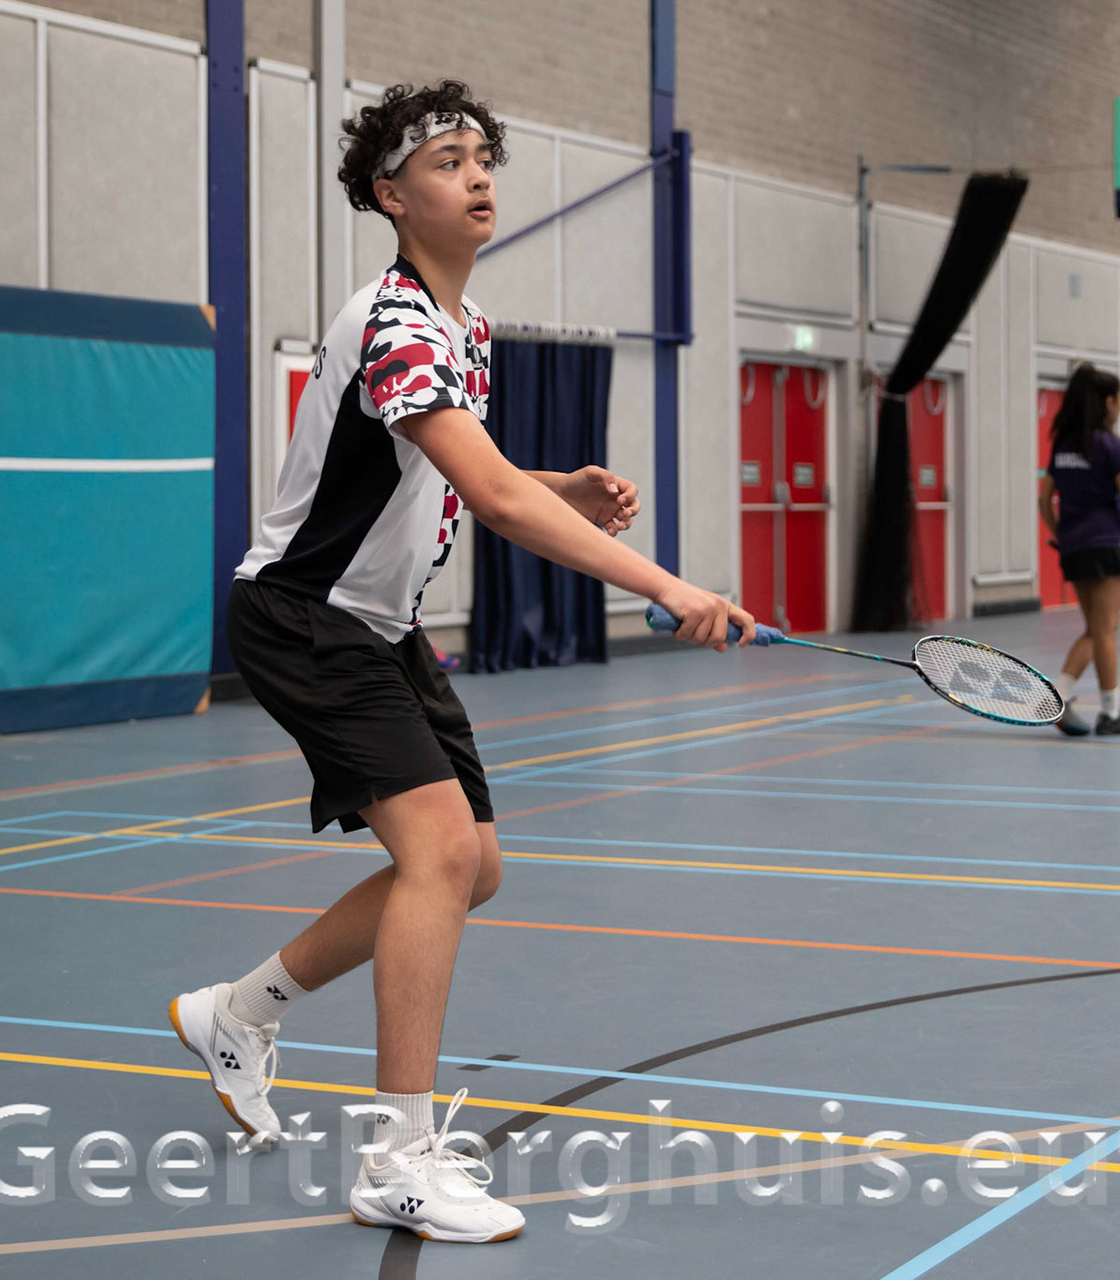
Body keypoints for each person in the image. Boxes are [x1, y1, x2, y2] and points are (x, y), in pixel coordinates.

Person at [166, 80, 753, 1244]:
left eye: (483, 155)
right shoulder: (393, 321)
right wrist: (668, 585)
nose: (476, 174)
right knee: (435, 851)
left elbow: (467, 468)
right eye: (446, 160)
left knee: (471, 865)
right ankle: (398, 1159)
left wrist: (559, 485)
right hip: (304, 614)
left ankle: (238, 1011)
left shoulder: (463, 328)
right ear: (391, 195)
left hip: (381, 625)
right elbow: (487, 495)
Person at [1037, 363, 1120, 736]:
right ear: (1108, 402)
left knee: (1097, 629)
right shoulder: (1112, 446)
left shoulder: (1063, 446)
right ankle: (1107, 713)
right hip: (1106, 546)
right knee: (1105, 631)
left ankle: (1063, 696)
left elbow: (1044, 500)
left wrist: (1062, 534)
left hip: (1074, 549)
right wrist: (1119, 535)